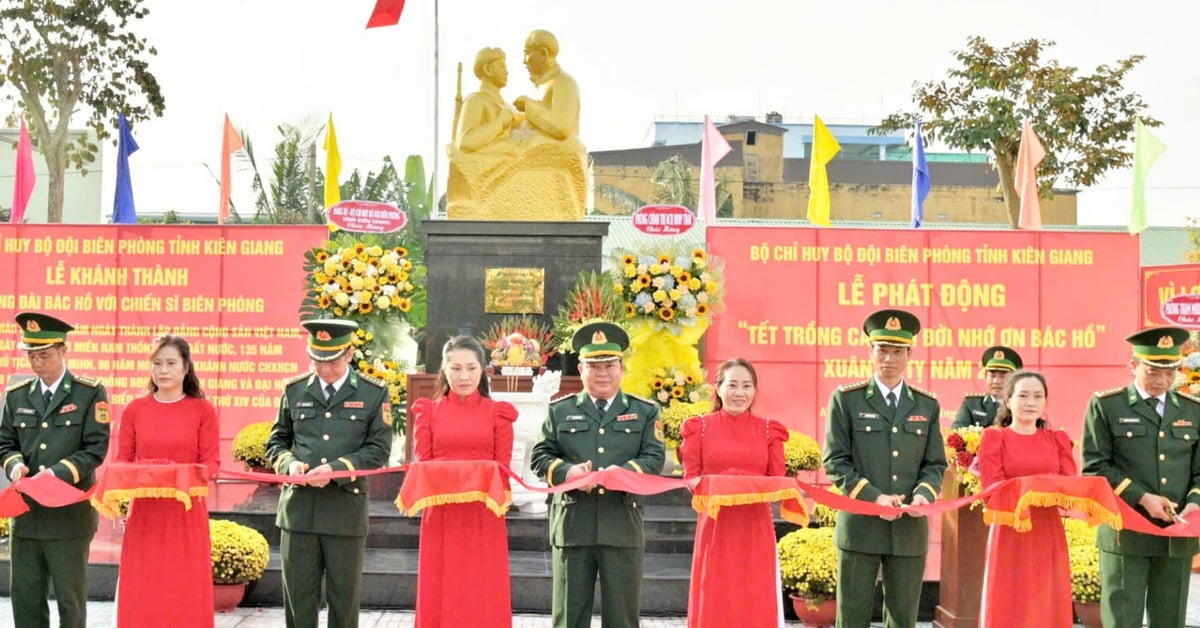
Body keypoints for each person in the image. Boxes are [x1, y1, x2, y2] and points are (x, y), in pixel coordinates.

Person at [531, 321, 665, 628]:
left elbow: (654, 457)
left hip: (621, 526)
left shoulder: (645, 412)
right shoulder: (560, 411)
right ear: (580, 369)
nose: (602, 373)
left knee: (622, 618)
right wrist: (568, 473)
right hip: (573, 527)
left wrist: (624, 474)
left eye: (609, 365)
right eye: (594, 366)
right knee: (569, 618)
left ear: (622, 368)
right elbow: (540, 457)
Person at [822, 308, 947, 628]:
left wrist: (923, 497)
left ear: (909, 355)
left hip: (908, 527)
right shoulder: (847, 400)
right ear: (870, 352)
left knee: (903, 618)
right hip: (860, 525)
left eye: (897, 351)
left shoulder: (925, 405)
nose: (889, 358)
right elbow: (836, 461)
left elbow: (934, 464)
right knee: (852, 615)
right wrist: (874, 498)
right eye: (882, 349)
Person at [266, 319, 391, 628]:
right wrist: (289, 465)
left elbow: (378, 450)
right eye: (317, 360)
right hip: (299, 512)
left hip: (344, 512)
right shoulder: (294, 391)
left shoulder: (373, 393)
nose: (324, 368)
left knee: (344, 601)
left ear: (349, 353)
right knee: (298, 600)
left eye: (332, 360)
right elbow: (277, 442)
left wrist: (336, 470)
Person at [1082, 327, 1200, 628]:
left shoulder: (1192, 410)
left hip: (1176, 537)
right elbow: (1095, 468)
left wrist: (1195, 503)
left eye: (1170, 372)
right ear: (1133, 366)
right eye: (1153, 372)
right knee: (1123, 620)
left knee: (1170, 620)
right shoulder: (1107, 406)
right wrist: (1142, 498)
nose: (1162, 381)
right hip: (1125, 534)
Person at [0, 312, 110, 628]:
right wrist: (15, 465)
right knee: (26, 598)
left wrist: (55, 475)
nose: (36, 362)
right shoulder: (17, 396)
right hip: (26, 515)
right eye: (31, 355)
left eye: (44, 354)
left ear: (63, 350)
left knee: (70, 601)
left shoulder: (88, 393)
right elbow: (4, 443)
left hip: (68, 517)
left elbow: (94, 448)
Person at [410, 336, 518, 627]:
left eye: (471, 368)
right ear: (443, 370)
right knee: (441, 583)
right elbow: (424, 465)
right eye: (455, 368)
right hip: (441, 516)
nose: (464, 376)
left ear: (482, 370)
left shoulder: (498, 413)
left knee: (482, 585)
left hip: (484, 515)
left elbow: (502, 470)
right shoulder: (428, 413)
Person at [114, 334, 220, 627]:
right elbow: (123, 460)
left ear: (186, 367)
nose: (164, 370)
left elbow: (211, 463)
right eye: (157, 363)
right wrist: (143, 474)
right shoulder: (135, 409)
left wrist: (183, 473)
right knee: (144, 584)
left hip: (185, 512)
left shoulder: (203, 410)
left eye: (171, 363)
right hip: (146, 513)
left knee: (183, 585)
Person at [679, 358, 787, 628]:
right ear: (718, 388)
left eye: (747, 386)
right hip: (716, 525)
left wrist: (744, 485)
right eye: (733, 385)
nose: (740, 393)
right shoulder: (699, 427)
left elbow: (777, 481)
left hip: (755, 526)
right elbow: (691, 478)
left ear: (755, 391)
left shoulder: (768, 430)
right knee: (715, 589)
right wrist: (721, 484)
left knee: (755, 591)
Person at [977, 371, 1076, 627]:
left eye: (1037, 396)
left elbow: (1068, 485)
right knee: (1009, 596)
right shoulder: (994, 438)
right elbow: (992, 488)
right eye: (1023, 395)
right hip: (1010, 528)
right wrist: (1037, 487)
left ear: (1045, 402)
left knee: (1046, 597)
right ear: (1008, 400)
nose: (1030, 402)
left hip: (1047, 529)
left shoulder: (1057, 440)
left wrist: (1042, 490)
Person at [514, 29, 581, 141]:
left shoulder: (563, 82)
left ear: (543, 54)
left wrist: (529, 105)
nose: (524, 61)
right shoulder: (545, 84)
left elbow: (561, 128)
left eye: (527, 53)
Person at [454, 47, 517, 152]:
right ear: (488, 69)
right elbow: (465, 142)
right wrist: (499, 123)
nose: (507, 72)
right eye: (502, 67)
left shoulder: (507, 106)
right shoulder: (475, 101)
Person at [952, 345, 1023, 428]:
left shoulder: (1020, 406)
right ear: (985, 377)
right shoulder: (971, 404)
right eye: (992, 376)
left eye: (1003, 376)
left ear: (1013, 380)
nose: (996, 381)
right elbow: (957, 433)